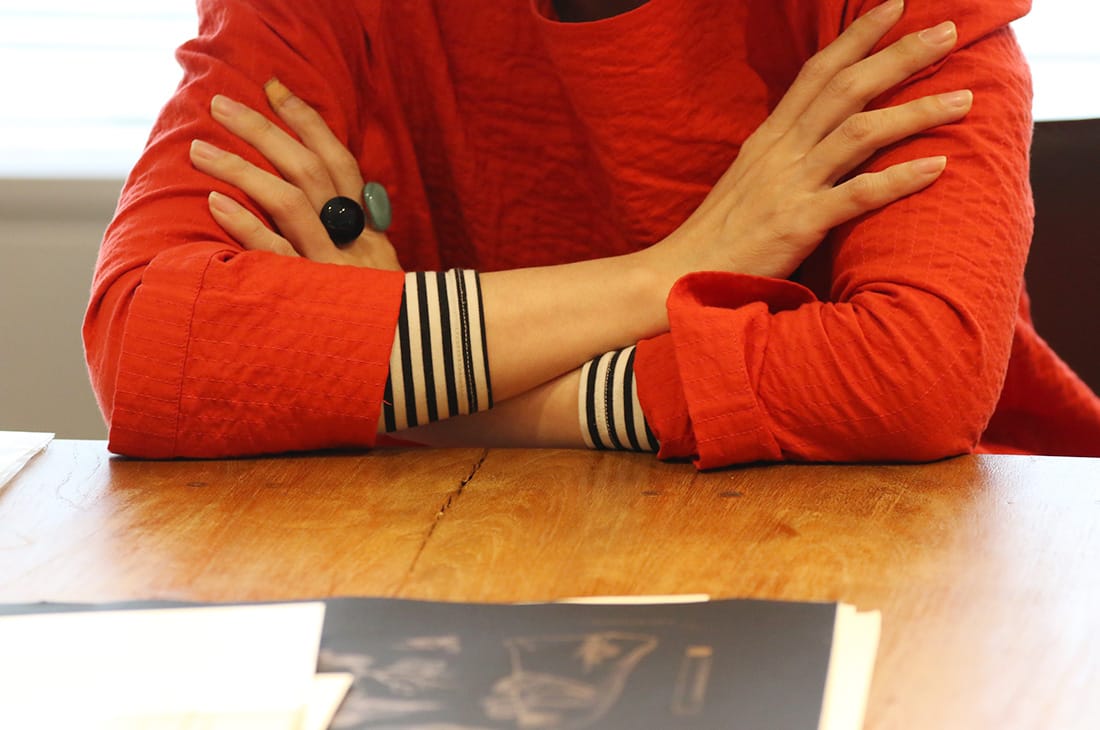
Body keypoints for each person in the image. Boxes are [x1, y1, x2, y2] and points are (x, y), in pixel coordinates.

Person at [84, 0, 1100, 466]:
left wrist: (443, 401)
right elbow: (149, 345)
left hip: (921, 566)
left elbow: (912, 374)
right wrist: (678, 270)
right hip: (450, 560)